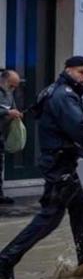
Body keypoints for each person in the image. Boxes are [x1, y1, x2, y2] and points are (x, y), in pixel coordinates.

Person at [0, 57, 83, 279]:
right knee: (50, 218)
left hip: (61, 161)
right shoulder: (65, 95)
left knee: (80, 209)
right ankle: (6, 259)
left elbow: (36, 111)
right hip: (59, 163)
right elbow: (80, 130)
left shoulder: (52, 90)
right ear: (68, 70)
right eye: (81, 72)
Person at [0, 69, 24, 205]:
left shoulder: (9, 93)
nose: (13, 89)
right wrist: (7, 111)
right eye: (11, 85)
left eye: (15, 86)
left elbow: (12, 106)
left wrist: (17, 113)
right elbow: (6, 109)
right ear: (3, 81)